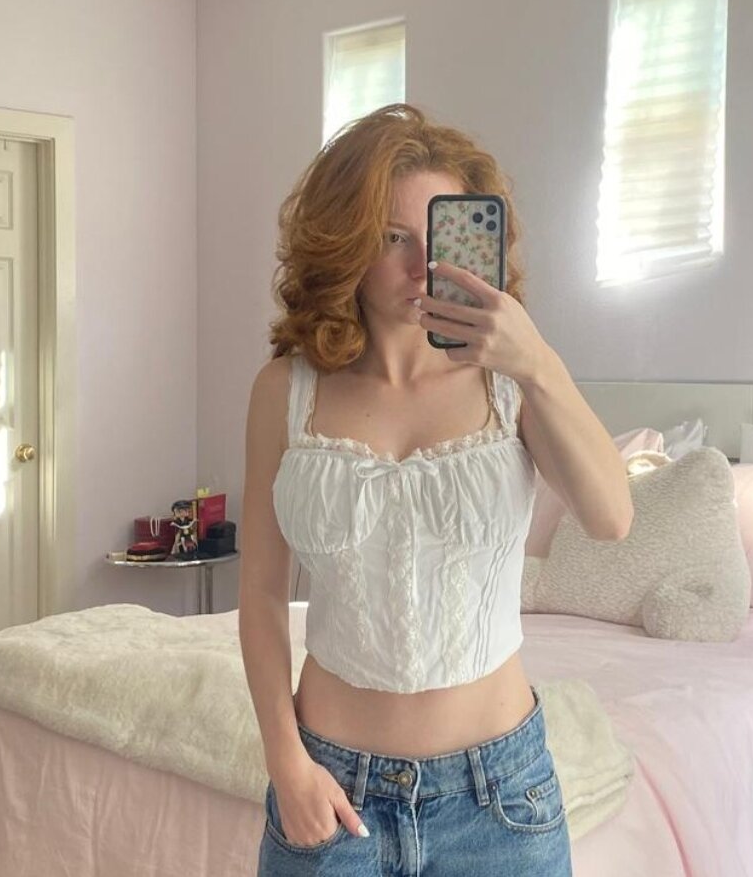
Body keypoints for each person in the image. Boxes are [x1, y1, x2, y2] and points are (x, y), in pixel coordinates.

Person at [239, 103, 633, 876]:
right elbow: (259, 594)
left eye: (439, 234)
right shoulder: (284, 391)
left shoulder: (510, 383)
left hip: (501, 801)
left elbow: (612, 516)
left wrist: (538, 361)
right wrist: (286, 763)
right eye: (392, 237)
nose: (421, 263)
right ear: (344, 242)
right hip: (332, 791)